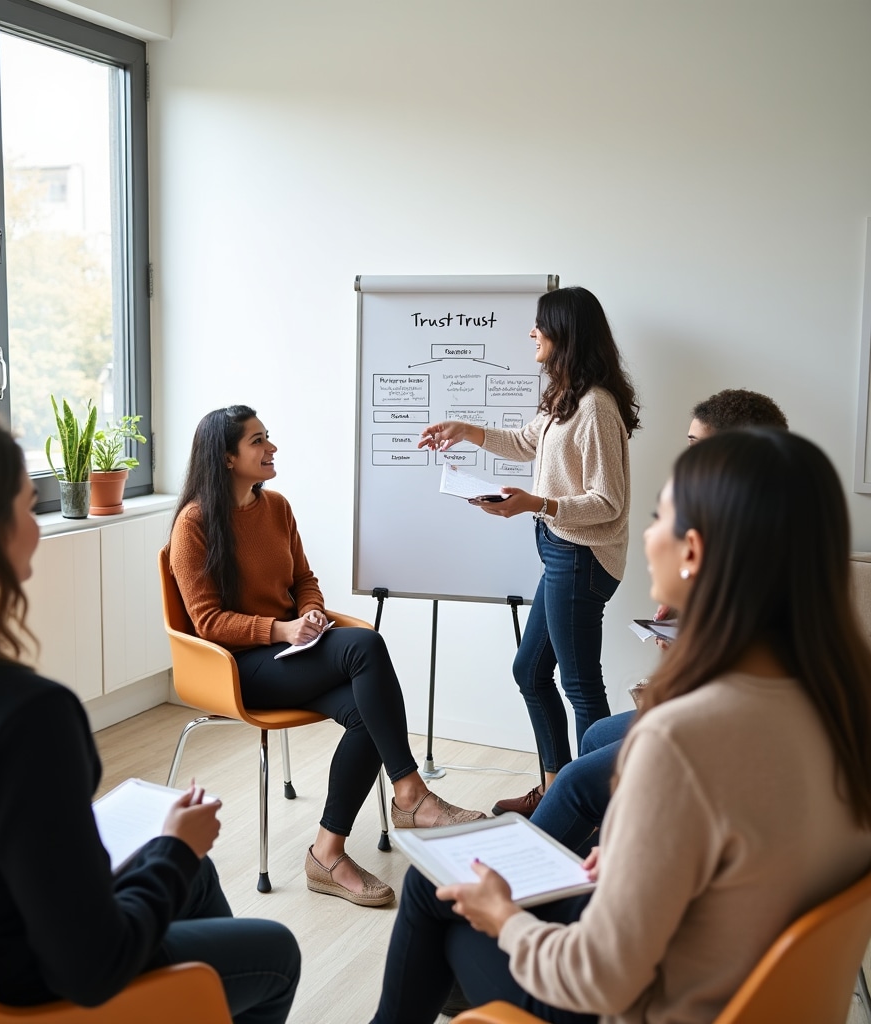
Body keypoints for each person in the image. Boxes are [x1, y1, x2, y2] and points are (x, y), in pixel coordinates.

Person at [371, 428, 871, 1024]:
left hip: (645, 1004)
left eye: (658, 517)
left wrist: (504, 919)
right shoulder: (842, 703)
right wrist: (650, 859)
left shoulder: (680, 739)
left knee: (436, 885)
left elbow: (599, 981)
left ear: (692, 551)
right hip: (753, 993)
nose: (646, 534)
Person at [0, 412, 301, 1024]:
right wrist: (173, 846)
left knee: (193, 875)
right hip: (27, 991)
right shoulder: (29, 717)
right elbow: (93, 966)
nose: (36, 524)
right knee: (275, 951)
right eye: (25, 502)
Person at [167, 405, 485, 908]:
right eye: (257, 441)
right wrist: (281, 629)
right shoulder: (195, 523)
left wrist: (311, 616)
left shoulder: (276, 508)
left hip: (294, 651)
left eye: (268, 437)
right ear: (227, 458)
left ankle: (326, 852)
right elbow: (206, 622)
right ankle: (411, 795)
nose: (271, 448)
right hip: (240, 667)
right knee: (365, 645)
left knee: (366, 716)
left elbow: (303, 581)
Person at [527, 388, 789, 857]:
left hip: (727, 728)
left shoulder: (762, 546)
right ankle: (608, 840)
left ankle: (520, 880)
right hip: (721, 707)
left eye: (698, 446)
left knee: (572, 781)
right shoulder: (735, 521)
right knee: (594, 735)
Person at [420, 285, 640, 816]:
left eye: (540, 326)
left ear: (565, 334)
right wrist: (465, 430)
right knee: (530, 672)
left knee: (581, 686)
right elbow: (524, 442)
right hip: (563, 554)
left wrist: (535, 503)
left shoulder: (595, 407)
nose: (531, 334)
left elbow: (608, 503)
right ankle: (557, 785)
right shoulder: (567, 399)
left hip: (583, 558)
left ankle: (602, 810)